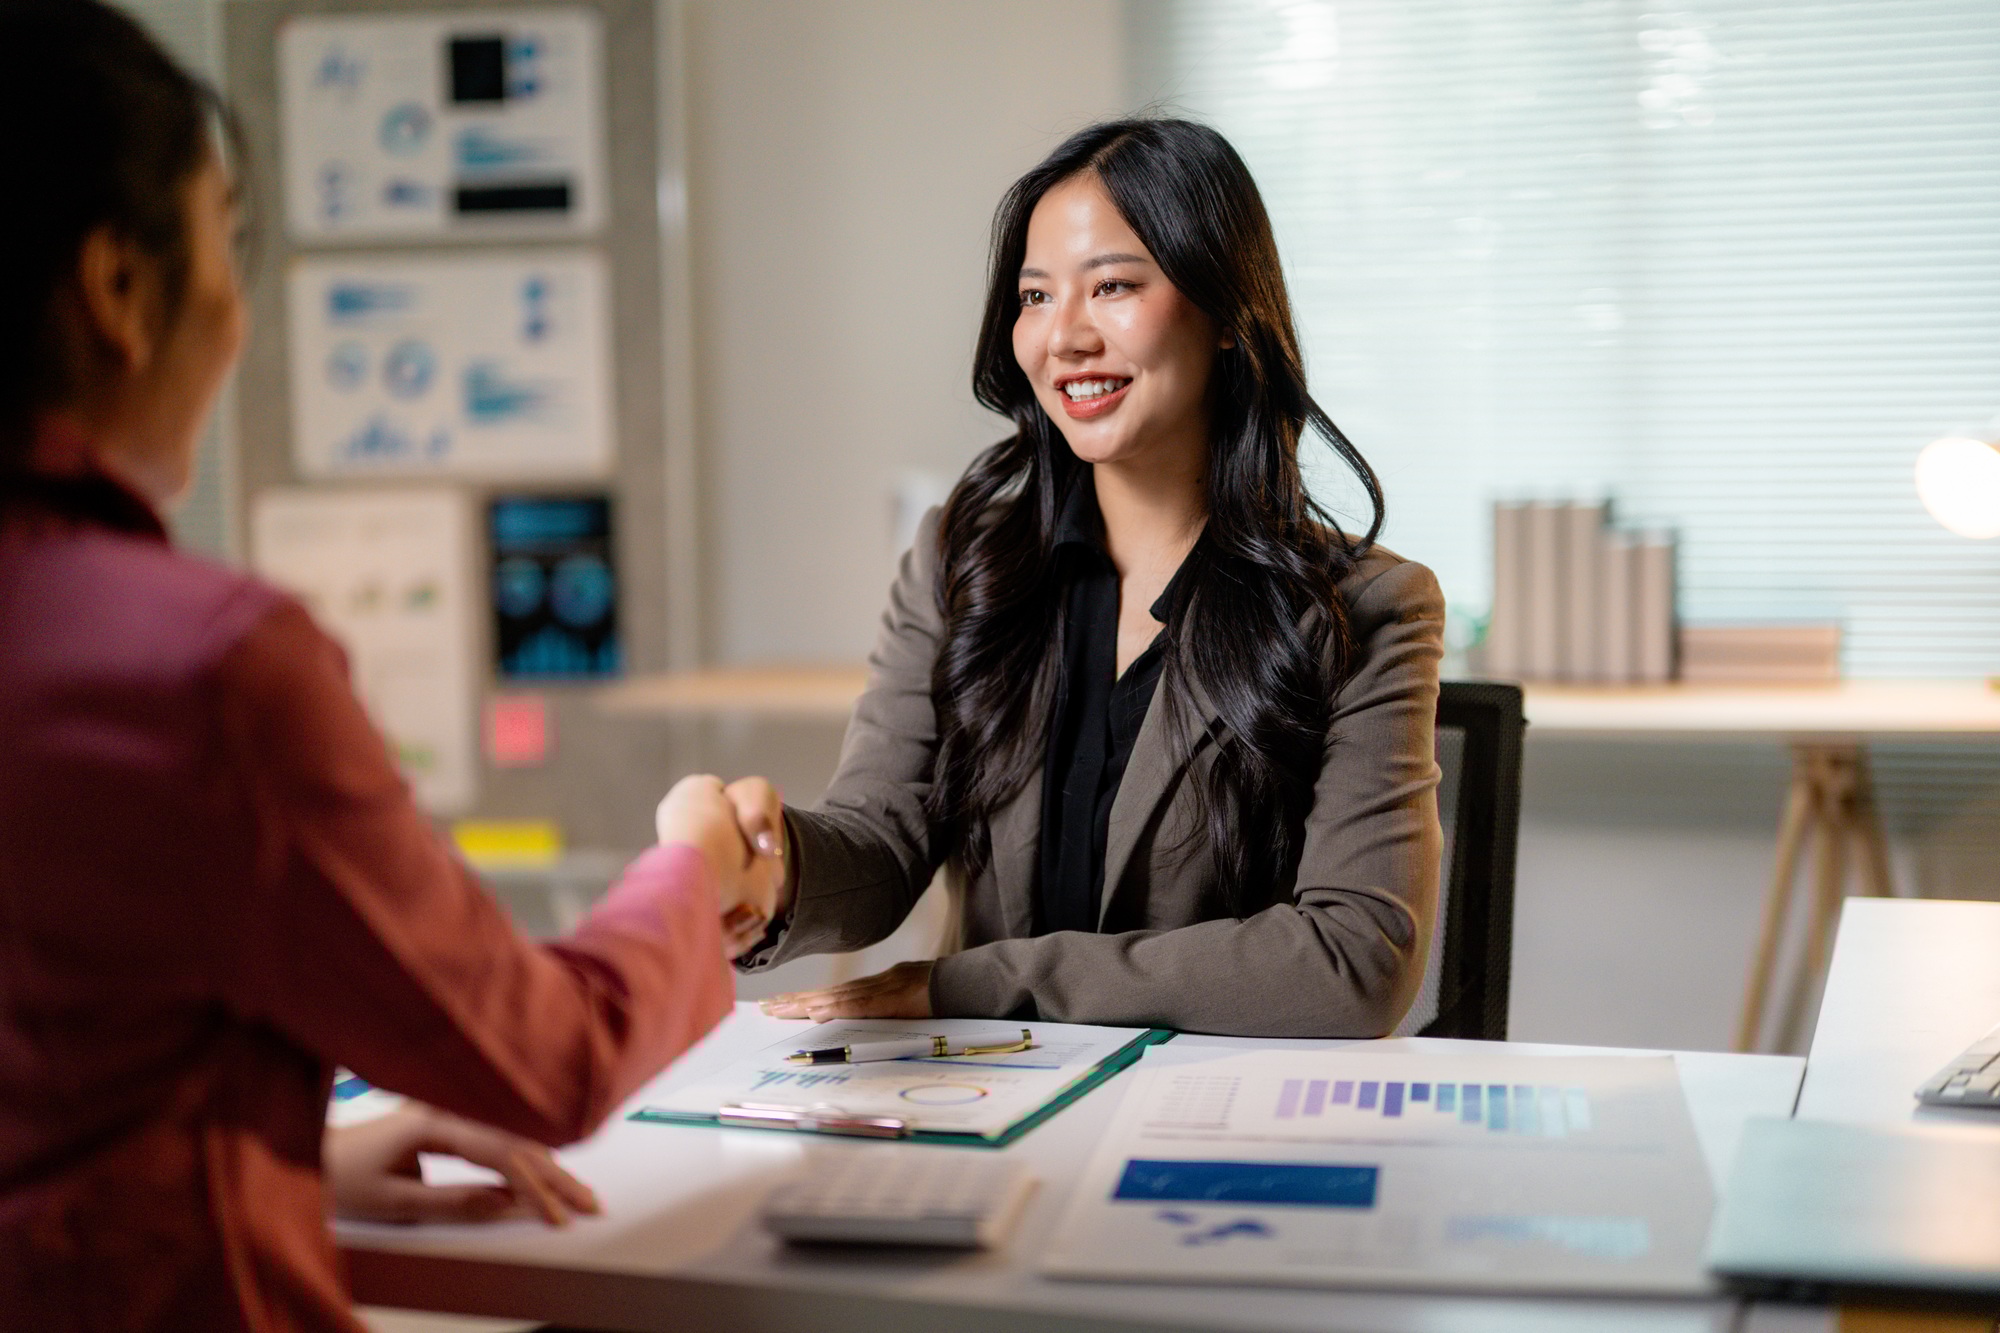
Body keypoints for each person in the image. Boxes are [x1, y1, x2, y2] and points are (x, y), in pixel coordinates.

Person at [0, 3, 779, 1328]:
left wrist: (280, 1166)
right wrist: (695, 863)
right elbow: (550, 1052)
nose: (240, 313)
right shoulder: (207, 671)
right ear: (121, 290)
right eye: (229, 243)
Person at [727, 118, 1445, 1038]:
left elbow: (1353, 961)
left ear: (1226, 312)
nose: (1062, 337)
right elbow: (882, 837)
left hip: (1217, 1132)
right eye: (1034, 296)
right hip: (987, 1114)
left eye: (1111, 286)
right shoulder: (963, 560)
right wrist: (771, 868)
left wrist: (992, 982)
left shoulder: (1367, 609)